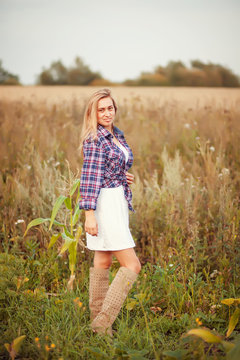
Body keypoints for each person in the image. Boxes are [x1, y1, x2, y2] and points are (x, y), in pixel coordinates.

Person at [78, 88, 141, 336]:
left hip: (116, 200)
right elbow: (89, 178)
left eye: (110, 108)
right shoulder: (95, 139)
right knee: (132, 265)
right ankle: (102, 323)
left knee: (103, 260)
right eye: (101, 109)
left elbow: (108, 167)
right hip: (103, 206)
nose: (107, 113)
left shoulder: (115, 135)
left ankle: (98, 328)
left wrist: (123, 175)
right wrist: (89, 214)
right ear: (93, 113)